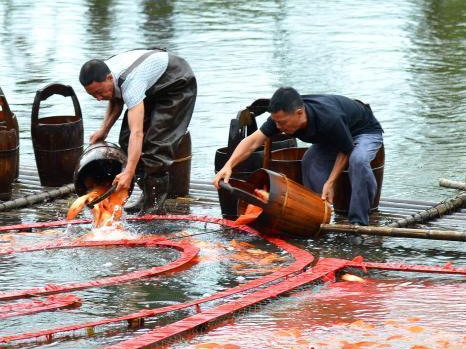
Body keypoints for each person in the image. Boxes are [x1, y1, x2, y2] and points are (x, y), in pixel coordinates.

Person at [212, 87, 383, 225]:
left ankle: (358, 222)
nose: (278, 127)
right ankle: (319, 214)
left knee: (357, 160)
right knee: (310, 160)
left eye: (283, 122)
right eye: (276, 122)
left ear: (299, 113)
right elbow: (253, 142)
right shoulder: (279, 118)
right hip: (333, 137)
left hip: (364, 132)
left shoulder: (328, 117)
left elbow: (346, 149)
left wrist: (330, 182)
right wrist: (228, 166)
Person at [79, 48, 197, 212]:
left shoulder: (131, 82)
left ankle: (154, 208)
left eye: (99, 93)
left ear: (109, 77)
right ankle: (147, 197)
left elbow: (138, 132)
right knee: (126, 140)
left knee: (156, 147)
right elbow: (115, 98)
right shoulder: (110, 74)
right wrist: (103, 130)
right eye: (94, 96)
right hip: (152, 86)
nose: (99, 99)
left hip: (176, 83)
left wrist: (129, 172)